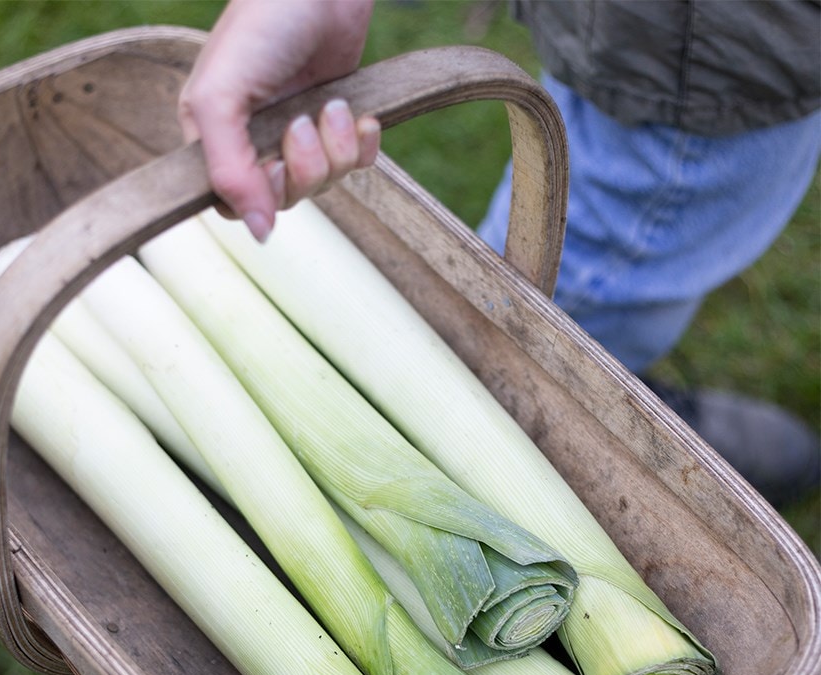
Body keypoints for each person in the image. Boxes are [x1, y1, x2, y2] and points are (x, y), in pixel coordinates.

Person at [178, 0, 821, 508]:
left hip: (701, 33)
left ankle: (578, 401)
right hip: (703, 40)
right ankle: (536, 420)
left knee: (619, 217)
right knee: (613, 247)